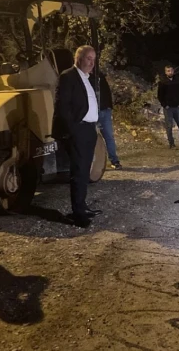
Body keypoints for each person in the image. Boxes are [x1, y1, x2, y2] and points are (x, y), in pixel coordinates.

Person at [51, 45, 103, 227]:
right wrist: (73, 130)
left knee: (85, 170)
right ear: (78, 58)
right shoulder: (68, 76)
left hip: (88, 130)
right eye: (89, 58)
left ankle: (82, 206)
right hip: (78, 130)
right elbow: (62, 106)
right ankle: (78, 213)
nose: (92, 63)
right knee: (79, 171)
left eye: (94, 59)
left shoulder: (86, 78)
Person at [157, 65, 179, 149]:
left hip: (177, 107)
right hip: (168, 108)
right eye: (168, 71)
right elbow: (160, 95)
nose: (170, 72)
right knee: (169, 126)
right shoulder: (162, 82)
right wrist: (165, 105)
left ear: (173, 71)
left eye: (171, 70)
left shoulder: (177, 81)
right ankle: (172, 144)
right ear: (165, 72)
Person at [96, 71, 122, 169]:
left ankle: (113, 161)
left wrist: (109, 107)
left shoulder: (97, 76)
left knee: (107, 137)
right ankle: (113, 161)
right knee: (107, 137)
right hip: (100, 110)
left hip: (101, 110)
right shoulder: (98, 76)